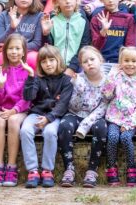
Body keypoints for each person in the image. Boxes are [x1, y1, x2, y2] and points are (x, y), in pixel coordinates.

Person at [20, 45, 73, 188]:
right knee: (25, 131)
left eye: (51, 60)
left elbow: (62, 105)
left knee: (50, 132)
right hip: (36, 114)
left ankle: (47, 170)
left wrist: (49, 118)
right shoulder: (37, 78)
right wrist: (31, 77)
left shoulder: (66, 80)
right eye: (44, 62)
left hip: (54, 116)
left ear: (58, 60)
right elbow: (29, 96)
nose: (48, 64)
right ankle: (32, 171)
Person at [56, 46, 108, 188]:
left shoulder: (108, 81)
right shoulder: (78, 79)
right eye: (85, 61)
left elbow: (105, 106)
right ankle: (69, 169)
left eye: (92, 59)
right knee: (65, 125)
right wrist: (79, 91)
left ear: (100, 60)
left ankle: (92, 170)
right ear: (81, 65)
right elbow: (73, 107)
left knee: (102, 127)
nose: (89, 63)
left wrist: (87, 123)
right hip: (76, 114)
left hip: (95, 116)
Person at [101, 47, 136, 187]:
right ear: (120, 62)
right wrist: (111, 76)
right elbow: (106, 95)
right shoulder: (116, 77)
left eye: (133, 61)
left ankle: (131, 167)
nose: (130, 64)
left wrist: (130, 123)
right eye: (126, 61)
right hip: (114, 118)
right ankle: (111, 168)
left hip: (131, 121)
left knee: (125, 137)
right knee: (112, 137)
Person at [0, 34, 31, 187]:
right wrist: (0, 86)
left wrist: (14, 110)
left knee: (13, 122)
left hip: (20, 110)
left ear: (23, 51)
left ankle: (11, 166)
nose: (14, 52)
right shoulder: (0, 70)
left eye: (17, 48)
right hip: (2, 108)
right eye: (10, 48)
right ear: (5, 51)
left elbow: (27, 98)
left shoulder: (27, 70)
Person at [41, 0, 91, 76]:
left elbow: (84, 46)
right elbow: (49, 47)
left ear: (76, 0)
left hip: (76, 65)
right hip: (55, 65)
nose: (68, 1)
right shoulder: (52, 20)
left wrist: (72, 68)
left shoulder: (82, 20)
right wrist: (46, 33)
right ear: (56, 2)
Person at [0, 0, 44, 69]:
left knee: (33, 58)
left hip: (28, 52)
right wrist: (11, 28)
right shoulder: (3, 16)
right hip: (8, 53)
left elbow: (37, 43)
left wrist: (16, 49)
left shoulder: (39, 16)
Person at [90, 0, 136, 70]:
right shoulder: (97, 19)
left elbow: (130, 46)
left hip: (121, 63)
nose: (110, 0)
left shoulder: (128, 19)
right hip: (101, 62)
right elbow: (95, 48)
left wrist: (123, 63)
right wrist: (103, 32)